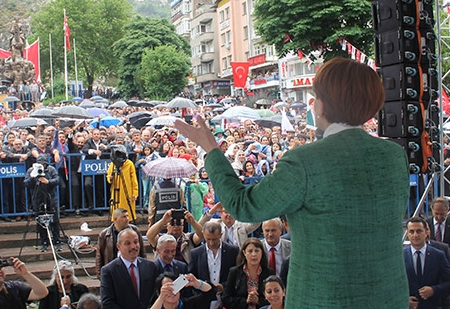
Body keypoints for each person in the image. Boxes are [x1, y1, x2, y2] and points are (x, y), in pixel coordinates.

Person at [175, 57, 410, 308]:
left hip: (321, 299)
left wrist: (211, 149)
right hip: (388, 297)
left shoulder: (305, 161)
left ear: (321, 105)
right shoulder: (394, 156)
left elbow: (243, 205)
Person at [404, 217, 450, 309]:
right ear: (407, 233)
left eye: (419, 231)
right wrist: (404, 300)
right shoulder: (401, 256)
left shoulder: (438, 255)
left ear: (426, 232)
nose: (415, 235)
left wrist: (434, 290)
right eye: (412, 232)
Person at [99, 227, 158, 309]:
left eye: (135, 242)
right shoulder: (109, 271)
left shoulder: (150, 267)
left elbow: (155, 295)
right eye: (127, 243)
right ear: (118, 246)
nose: (133, 246)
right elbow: (107, 303)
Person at [188, 220, 239, 309]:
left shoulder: (233, 251)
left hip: (226, 301)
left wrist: (223, 287)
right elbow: (193, 276)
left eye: (214, 239)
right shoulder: (195, 253)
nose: (211, 243)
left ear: (221, 235)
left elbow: (237, 275)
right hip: (203, 301)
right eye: (208, 239)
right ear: (203, 235)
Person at [222, 237, 274, 309]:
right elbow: (226, 299)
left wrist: (258, 301)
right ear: (244, 253)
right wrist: (245, 301)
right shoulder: (234, 272)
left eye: (257, 251)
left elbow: (274, 298)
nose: (254, 254)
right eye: (250, 251)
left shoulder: (268, 273)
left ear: (262, 252)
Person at [24, 155, 61, 252]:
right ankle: (44, 242)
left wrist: (48, 181)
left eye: (43, 164)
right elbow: (26, 183)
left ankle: (57, 241)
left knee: (54, 221)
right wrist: (32, 177)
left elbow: (57, 180)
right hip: (37, 199)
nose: (42, 166)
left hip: (50, 198)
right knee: (40, 222)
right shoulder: (31, 171)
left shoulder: (51, 169)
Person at [95, 208, 145, 278]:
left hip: (132, 270)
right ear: (115, 219)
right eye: (124, 217)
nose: (127, 219)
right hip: (113, 272)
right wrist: (100, 275)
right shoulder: (105, 234)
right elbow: (99, 255)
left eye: (127, 216)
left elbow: (142, 251)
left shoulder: (135, 231)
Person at [150, 272, 217, 309]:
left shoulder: (190, 304)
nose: (171, 292)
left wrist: (197, 283)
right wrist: (161, 297)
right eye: (167, 289)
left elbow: (210, 293)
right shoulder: (156, 306)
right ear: (159, 292)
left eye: (174, 287)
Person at [106, 145, 138, 222]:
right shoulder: (113, 164)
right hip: (116, 192)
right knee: (116, 210)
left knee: (128, 211)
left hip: (127, 191)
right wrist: (110, 178)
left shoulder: (129, 164)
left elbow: (134, 179)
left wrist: (135, 192)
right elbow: (108, 176)